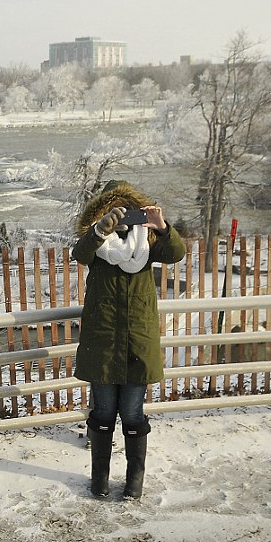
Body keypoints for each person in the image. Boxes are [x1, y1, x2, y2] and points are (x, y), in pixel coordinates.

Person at [72, 180, 186, 500]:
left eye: (128, 212)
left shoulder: (147, 246)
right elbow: (79, 252)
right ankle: (100, 478)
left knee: (133, 415)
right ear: (104, 213)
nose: (122, 219)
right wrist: (99, 230)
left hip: (138, 340)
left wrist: (162, 227)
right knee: (104, 414)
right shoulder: (98, 246)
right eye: (115, 213)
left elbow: (177, 252)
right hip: (104, 342)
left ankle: (135, 478)